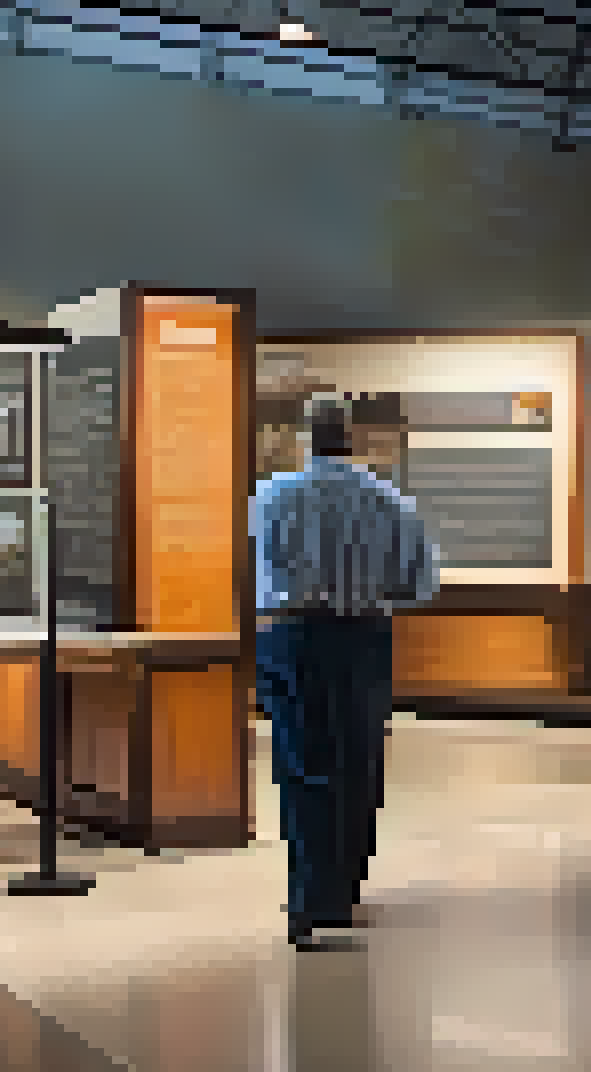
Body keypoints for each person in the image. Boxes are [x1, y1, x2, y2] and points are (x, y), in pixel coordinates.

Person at [252, 400, 441, 946]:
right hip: (363, 636)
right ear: (351, 439)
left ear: (308, 439)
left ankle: (307, 897)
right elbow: (420, 585)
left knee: (299, 762)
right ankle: (344, 889)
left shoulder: (272, 497)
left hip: (291, 635)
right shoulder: (390, 501)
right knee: (358, 759)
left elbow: (249, 568)